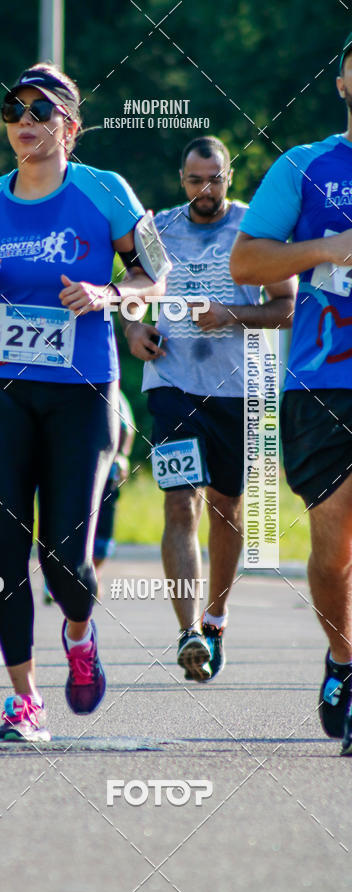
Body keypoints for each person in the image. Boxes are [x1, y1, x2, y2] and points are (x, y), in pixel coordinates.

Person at [0, 63, 157, 741]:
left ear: (70, 125)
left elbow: (157, 274)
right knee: (4, 553)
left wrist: (108, 294)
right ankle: (24, 699)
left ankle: (79, 631)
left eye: (40, 110)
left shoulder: (106, 190)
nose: (24, 121)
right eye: (14, 110)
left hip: (82, 392)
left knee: (67, 558)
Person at [124, 135, 296, 681]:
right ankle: (188, 634)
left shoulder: (254, 230)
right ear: (182, 180)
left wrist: (230, 315)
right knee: (181, 503)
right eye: (196, 180)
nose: (206, 189)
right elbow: (130, 294)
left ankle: (215, 619)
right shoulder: (158, 231)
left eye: (215, 178)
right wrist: (133, 329)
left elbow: (287, 307)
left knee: (227, 508)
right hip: (172, 383)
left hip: (241, 389)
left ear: (229, 176)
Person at [230, 33, 352, 751]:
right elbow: (247, 263)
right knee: (333, 546)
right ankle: (343, 658)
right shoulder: (304, 166)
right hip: (322, 382)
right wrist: (325, 249)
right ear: (341, 81)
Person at [42, 388, 135, 604]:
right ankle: (56, 580)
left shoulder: (111, 392)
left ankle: (91, 575)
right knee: (63, 526)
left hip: (104, 474)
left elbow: (127, 428)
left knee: (101, 534)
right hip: (68, 473)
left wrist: (122, 456)